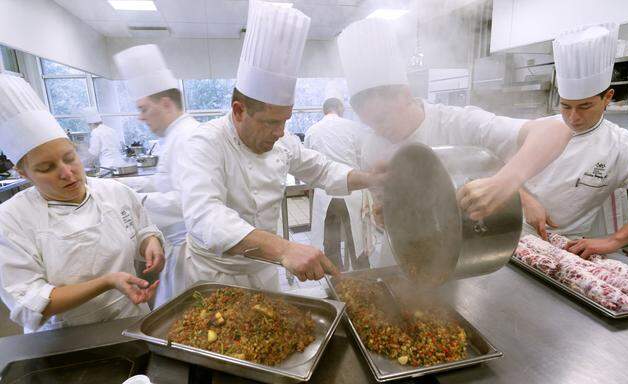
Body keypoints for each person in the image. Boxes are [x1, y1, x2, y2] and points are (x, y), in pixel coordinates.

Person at [178, 0, 381, 291]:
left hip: (264, 269)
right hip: (214, 276)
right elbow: (206, 216)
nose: (280, 132)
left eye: (285, 120)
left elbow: (322, 169)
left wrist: (372, 179)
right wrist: (285, 249)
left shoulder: (282, 140)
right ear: (238, 111)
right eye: (270, 122)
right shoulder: (204, 143)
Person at [337, 18, 573, 267]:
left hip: (464, 254)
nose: (379, 130)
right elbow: (384, 207)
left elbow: (555, 129)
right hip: (405, 255)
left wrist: (503, 183)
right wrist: (382, 216)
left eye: (382, 118)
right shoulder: (372, 145)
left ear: (405, 95)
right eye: (370, 123)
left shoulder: (458, 123)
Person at [0, 73, 165, 333]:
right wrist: (107, 282)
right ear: (24, 174)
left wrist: (150, 242)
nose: (67, 173)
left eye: (69, 158)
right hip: (65, 338)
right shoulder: (11, 219)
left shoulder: (114, 191)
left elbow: (143, 228)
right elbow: (29, 302)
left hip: (130, 318)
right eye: (46, 168)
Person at [518, 23, 628, 259]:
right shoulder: (537, 129)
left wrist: (614, 240)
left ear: (607, 98)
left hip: (568, 250)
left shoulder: (623, 146)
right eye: (565, 106)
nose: (573, 117)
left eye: (585, 106)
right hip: (515, 236)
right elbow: (496, 166)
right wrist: (525, 198)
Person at [113, 44, 199, 305]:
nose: (140, 117)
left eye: (143, 108)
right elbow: (165, 181)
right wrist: (121, 185)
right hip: (177, 248)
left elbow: (187, 202)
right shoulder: (175, 135)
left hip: (189, 249)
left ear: (165, 103)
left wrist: (131, 200)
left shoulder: (187, 137)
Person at [304, 97, 370, 271]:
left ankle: (337, 282)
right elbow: (364, 159)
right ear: (340, 108)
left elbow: (309, 166)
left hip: (326, 195)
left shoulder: (312, 130)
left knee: (331, 245)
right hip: (352, 192)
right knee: (357, 243)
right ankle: (364, 282)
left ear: (324, 110)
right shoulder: (354, 127)